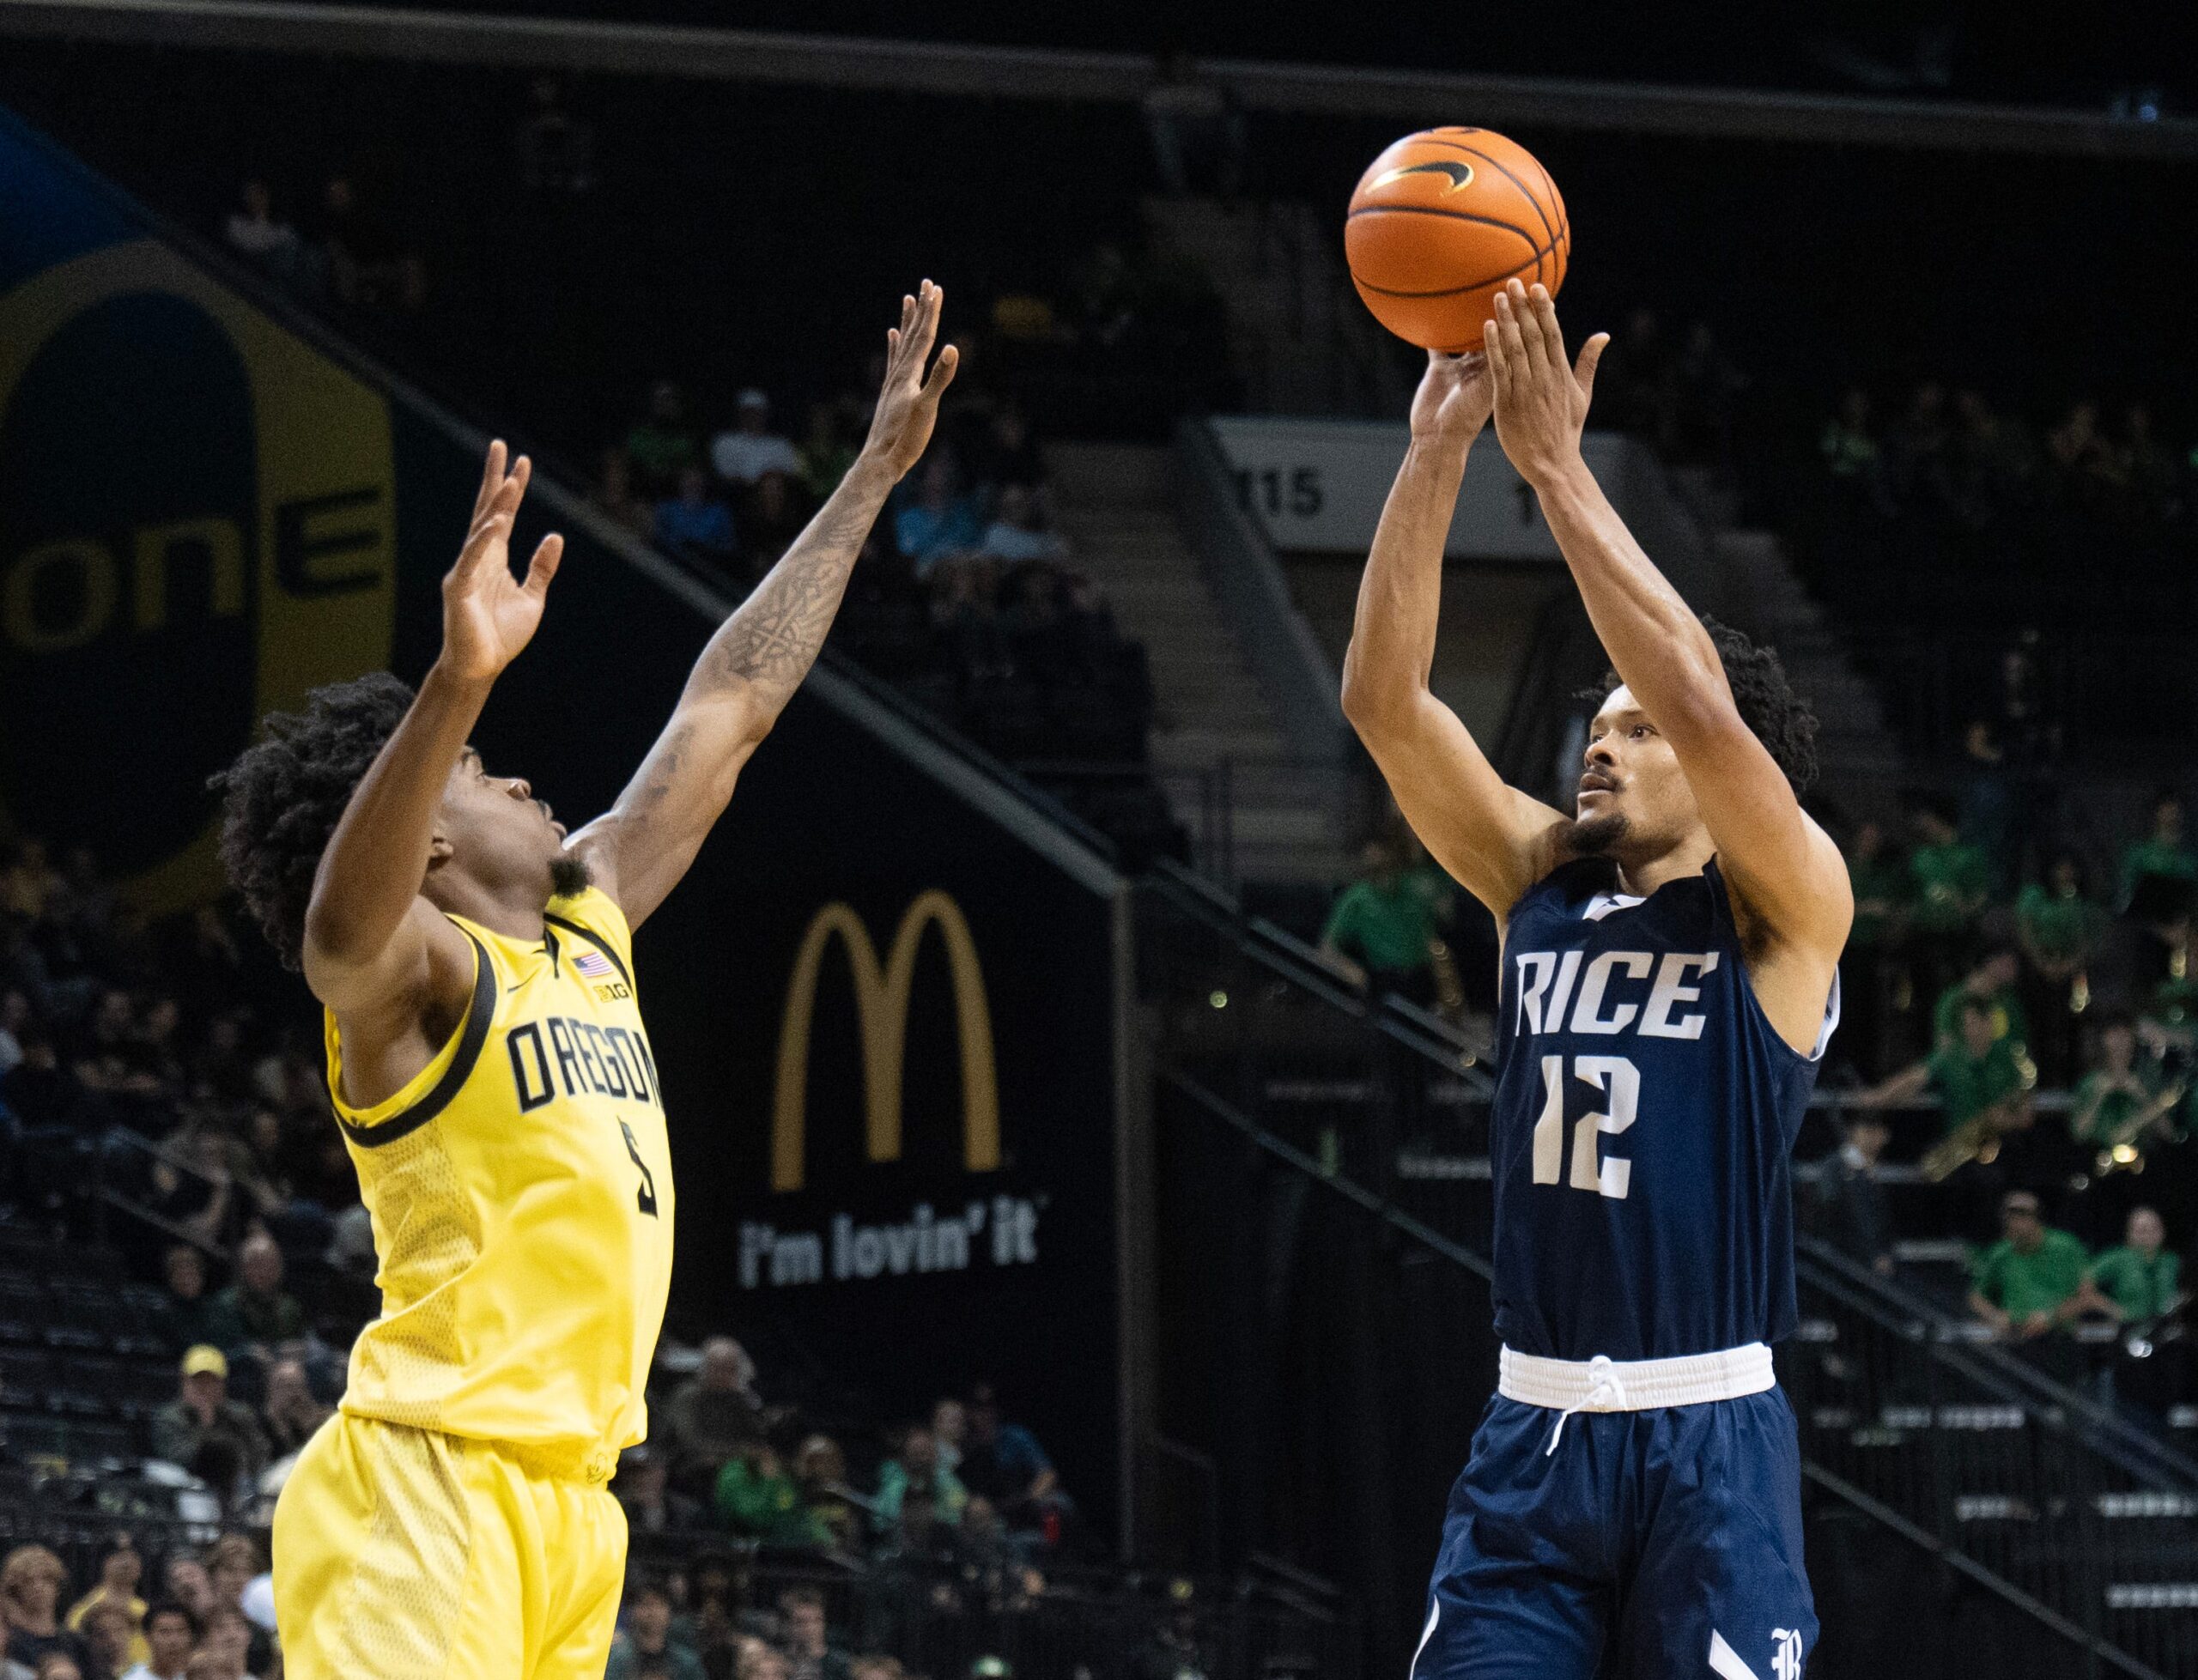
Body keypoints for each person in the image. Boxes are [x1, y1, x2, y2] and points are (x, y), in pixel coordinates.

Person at [209, 283, 957, 1680]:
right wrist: (451, 691)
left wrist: (868, 479)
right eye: (492, 776)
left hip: (570, 1513)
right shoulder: (416, 976)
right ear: (429, 826)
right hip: (426, 1488)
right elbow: (338, 938)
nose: (528, 779)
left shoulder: (588, 915)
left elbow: (728, 703)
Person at [1339, 279, 1849, 1678]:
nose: (1603, 743)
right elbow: (1386, 704)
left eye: (1636, 727)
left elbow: (1694, 689)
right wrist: (1436, 450)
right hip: (1534, 1433)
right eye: (1596, 722)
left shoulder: (1790, 911)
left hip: (1712, 1444)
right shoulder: (1539, 885)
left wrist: (1555, 467)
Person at [1316, 838, 1449, 1004]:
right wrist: (1356, 974)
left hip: (1422, 978)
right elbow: (1327, 948)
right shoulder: (1357, 899)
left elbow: (1444, 917)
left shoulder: (1415, 888)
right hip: (1385, 981)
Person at [149, 1347, 269, 1502]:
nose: (204, 1389)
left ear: (223, 1385)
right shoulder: (169, 1417)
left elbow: (258, 1453)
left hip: (238, 1484)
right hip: (187, 1483)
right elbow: (180, 1458)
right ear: (184, 1382)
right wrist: (205, 1425)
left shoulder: (241, 1415)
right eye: (198, 1381)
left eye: (212, 1382)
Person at [1969, 1191, 2088, 1344]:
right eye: (2009, 1217)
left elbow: (2086, 1295)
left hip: (2058, 1338)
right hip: (2013, 1337)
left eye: (2021, 1216)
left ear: (2036, 1219)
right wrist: (1995, 1316)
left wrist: (2050, 1317)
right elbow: (1976, 1297)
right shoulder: (2000, 1253)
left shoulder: (2065, 1247)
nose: (2013, 1223)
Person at [661, 1337, 768, 1484]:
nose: (723, 1374)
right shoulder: (688, 1395)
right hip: (688, 1466)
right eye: (717, 1367)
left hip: (734, 1464)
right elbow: (689, 1440)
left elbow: (757, 1433)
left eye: (730, 1369)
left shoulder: (740, 1397)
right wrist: (739, 1451)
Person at [1812, 1113, 1895, 1277]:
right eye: (1867, 1129)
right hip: (1846, 1260)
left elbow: (1882, 1221)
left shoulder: (1875, 1170)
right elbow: (1829, 1210)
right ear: (1853, 1131)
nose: (1872, 1136)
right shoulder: (1836, 1167)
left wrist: (1883, 1254)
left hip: (1874, 1262)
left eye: (1877, 1130)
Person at [203, 1233, 306, 1361]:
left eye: (271, 1264)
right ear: (244, 1268)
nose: (265, 1271)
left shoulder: (289, 1305)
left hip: (286, 1369)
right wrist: (246, 1352)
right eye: (257, 1264)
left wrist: (299, 1348)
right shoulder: (226, 1304)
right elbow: (217, 1350)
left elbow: (306, 1340)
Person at [3, 1548, 93, 1678]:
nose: (38, 1587)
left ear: (57, 1586)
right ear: (16, 1589)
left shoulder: (76, 1643)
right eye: (28, 1581)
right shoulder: (11, 1642)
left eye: (47, 1579)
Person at [62, 1540, 146, 1673]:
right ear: (104, 1563)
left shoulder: (146, 1611)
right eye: (119, 1556)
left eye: (134, 1556)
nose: (128, 1562)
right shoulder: (82, 1612)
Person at [604, 1581, 702, 1680]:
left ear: (669, 1611)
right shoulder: (615, 1660)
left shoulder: (686, 1663)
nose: (653, 1612)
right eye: (646, 1604)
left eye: (660, 1605)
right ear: (632, 1611)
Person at [710, 391, 803, 489]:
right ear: (740, 414)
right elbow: (723, 474)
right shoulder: (724, 442)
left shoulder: (781, 444)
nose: (753, 416)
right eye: (748, 412)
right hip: (734, 494)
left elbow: (789, 473)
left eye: (758, 412)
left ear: (766, 415)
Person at [777, 1588, 847, 1680]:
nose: (810, 1628)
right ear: (787, 1625)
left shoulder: (841, 1665)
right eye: (801, 1621)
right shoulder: (775, 1663)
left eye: (817, 1621)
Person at [117, 1603, 194, 1680]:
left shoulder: (199, 1676)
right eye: (165, 1632)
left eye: (180, 1631)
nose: (173, 1640)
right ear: (148, 1637)